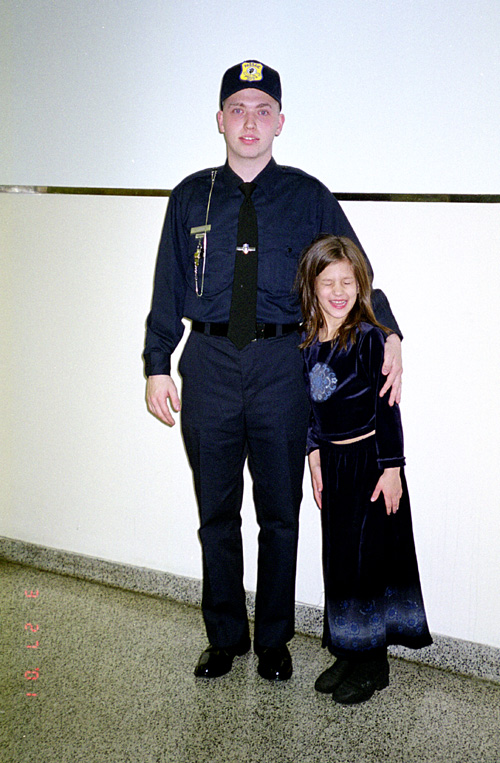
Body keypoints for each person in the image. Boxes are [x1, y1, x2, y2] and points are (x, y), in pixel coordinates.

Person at [144, 60, 403, 681]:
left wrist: (388, 329)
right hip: (206, 363)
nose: (250, 121)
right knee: (217, 511)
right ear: (220, 120)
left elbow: (354, 270)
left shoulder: (308, 195)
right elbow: (166, 285)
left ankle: (275, 640)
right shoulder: (190, 196)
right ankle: (225, 635)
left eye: (263, 110)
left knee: (280, 512)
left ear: (280, 121)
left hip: (284, 366)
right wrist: (158, 364)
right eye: (238, 109)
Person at [297, 234, 432, 704]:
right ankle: (348, 650)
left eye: (347, 282)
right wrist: (314, 457)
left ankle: (373, 664)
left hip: (371, 466)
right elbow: (311, 413)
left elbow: (387, 409)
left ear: (361, 286)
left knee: (368, 563)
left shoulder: (369, 339)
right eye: (327, 282)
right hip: (333, 467)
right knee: (339, 563)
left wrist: (391, 468)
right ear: (312, 287)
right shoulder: (309, 343)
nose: (338, 291)